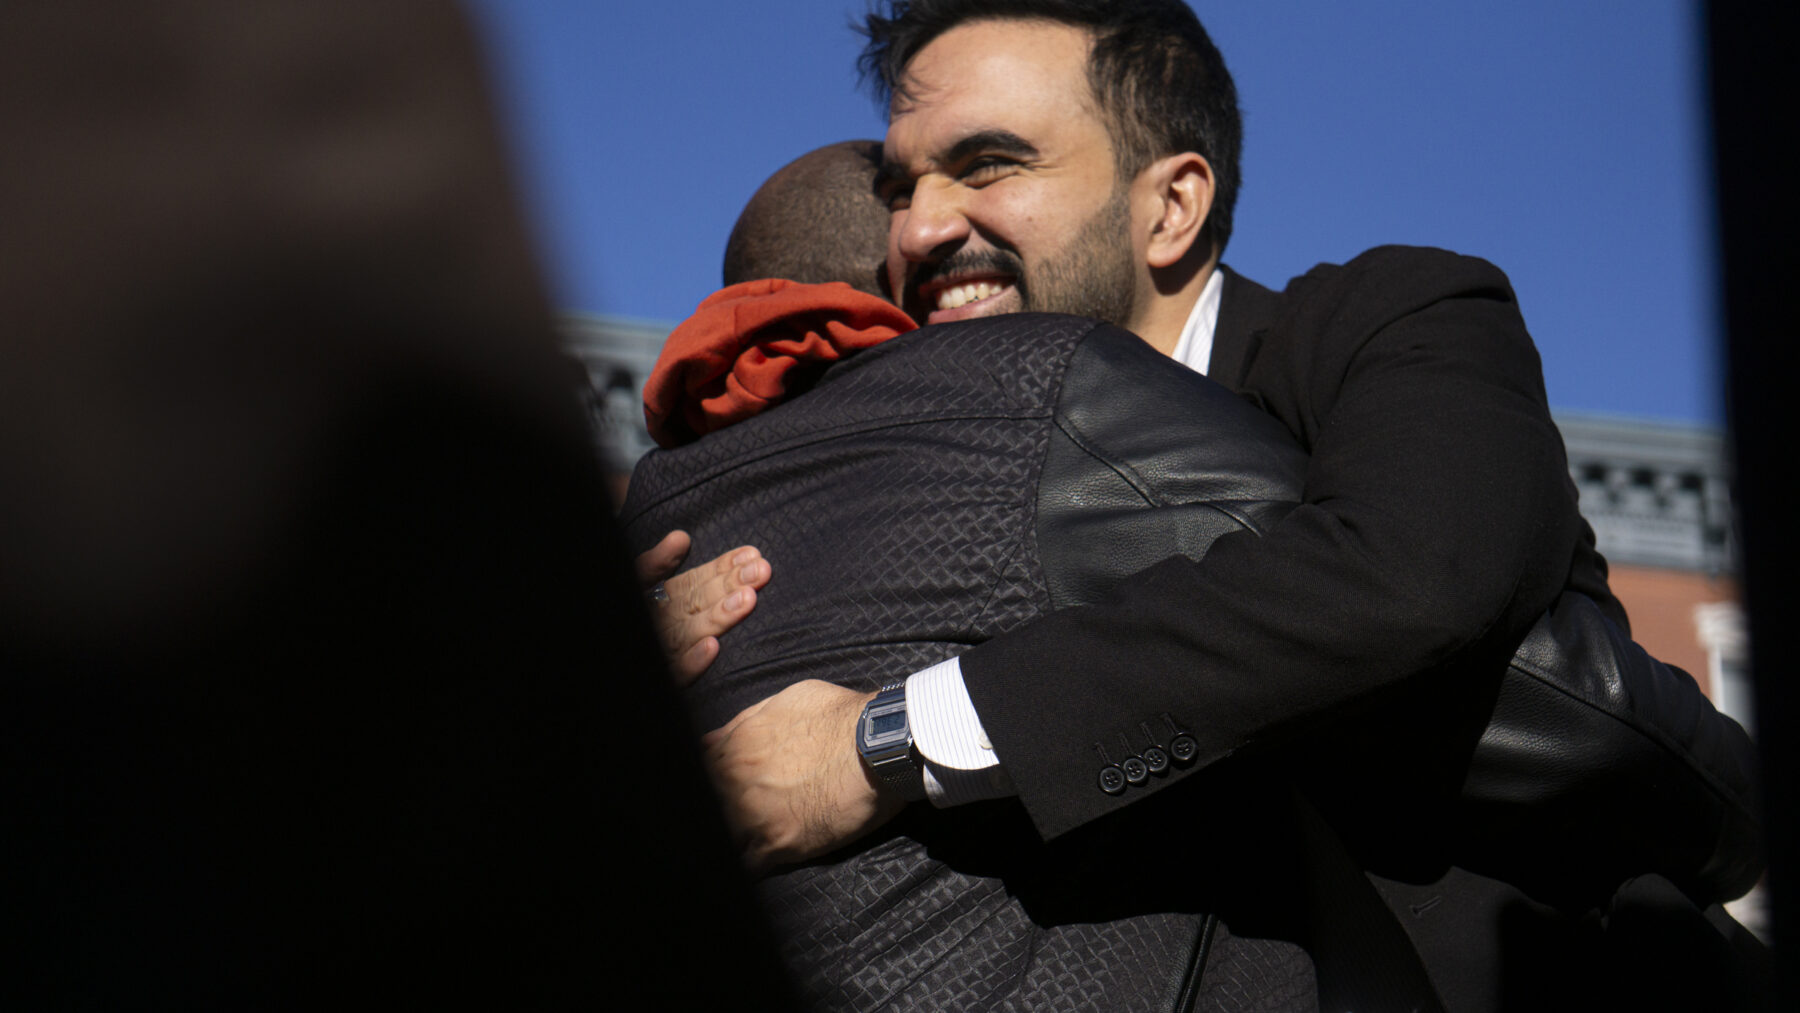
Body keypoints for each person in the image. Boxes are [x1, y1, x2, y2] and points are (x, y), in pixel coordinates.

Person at [626, 137, 1763, 1009]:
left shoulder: (1364, 325)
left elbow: (1473, 644)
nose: (933, 226)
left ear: (1171, 198)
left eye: (988, 166)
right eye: (909, 194)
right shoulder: (970, 425)